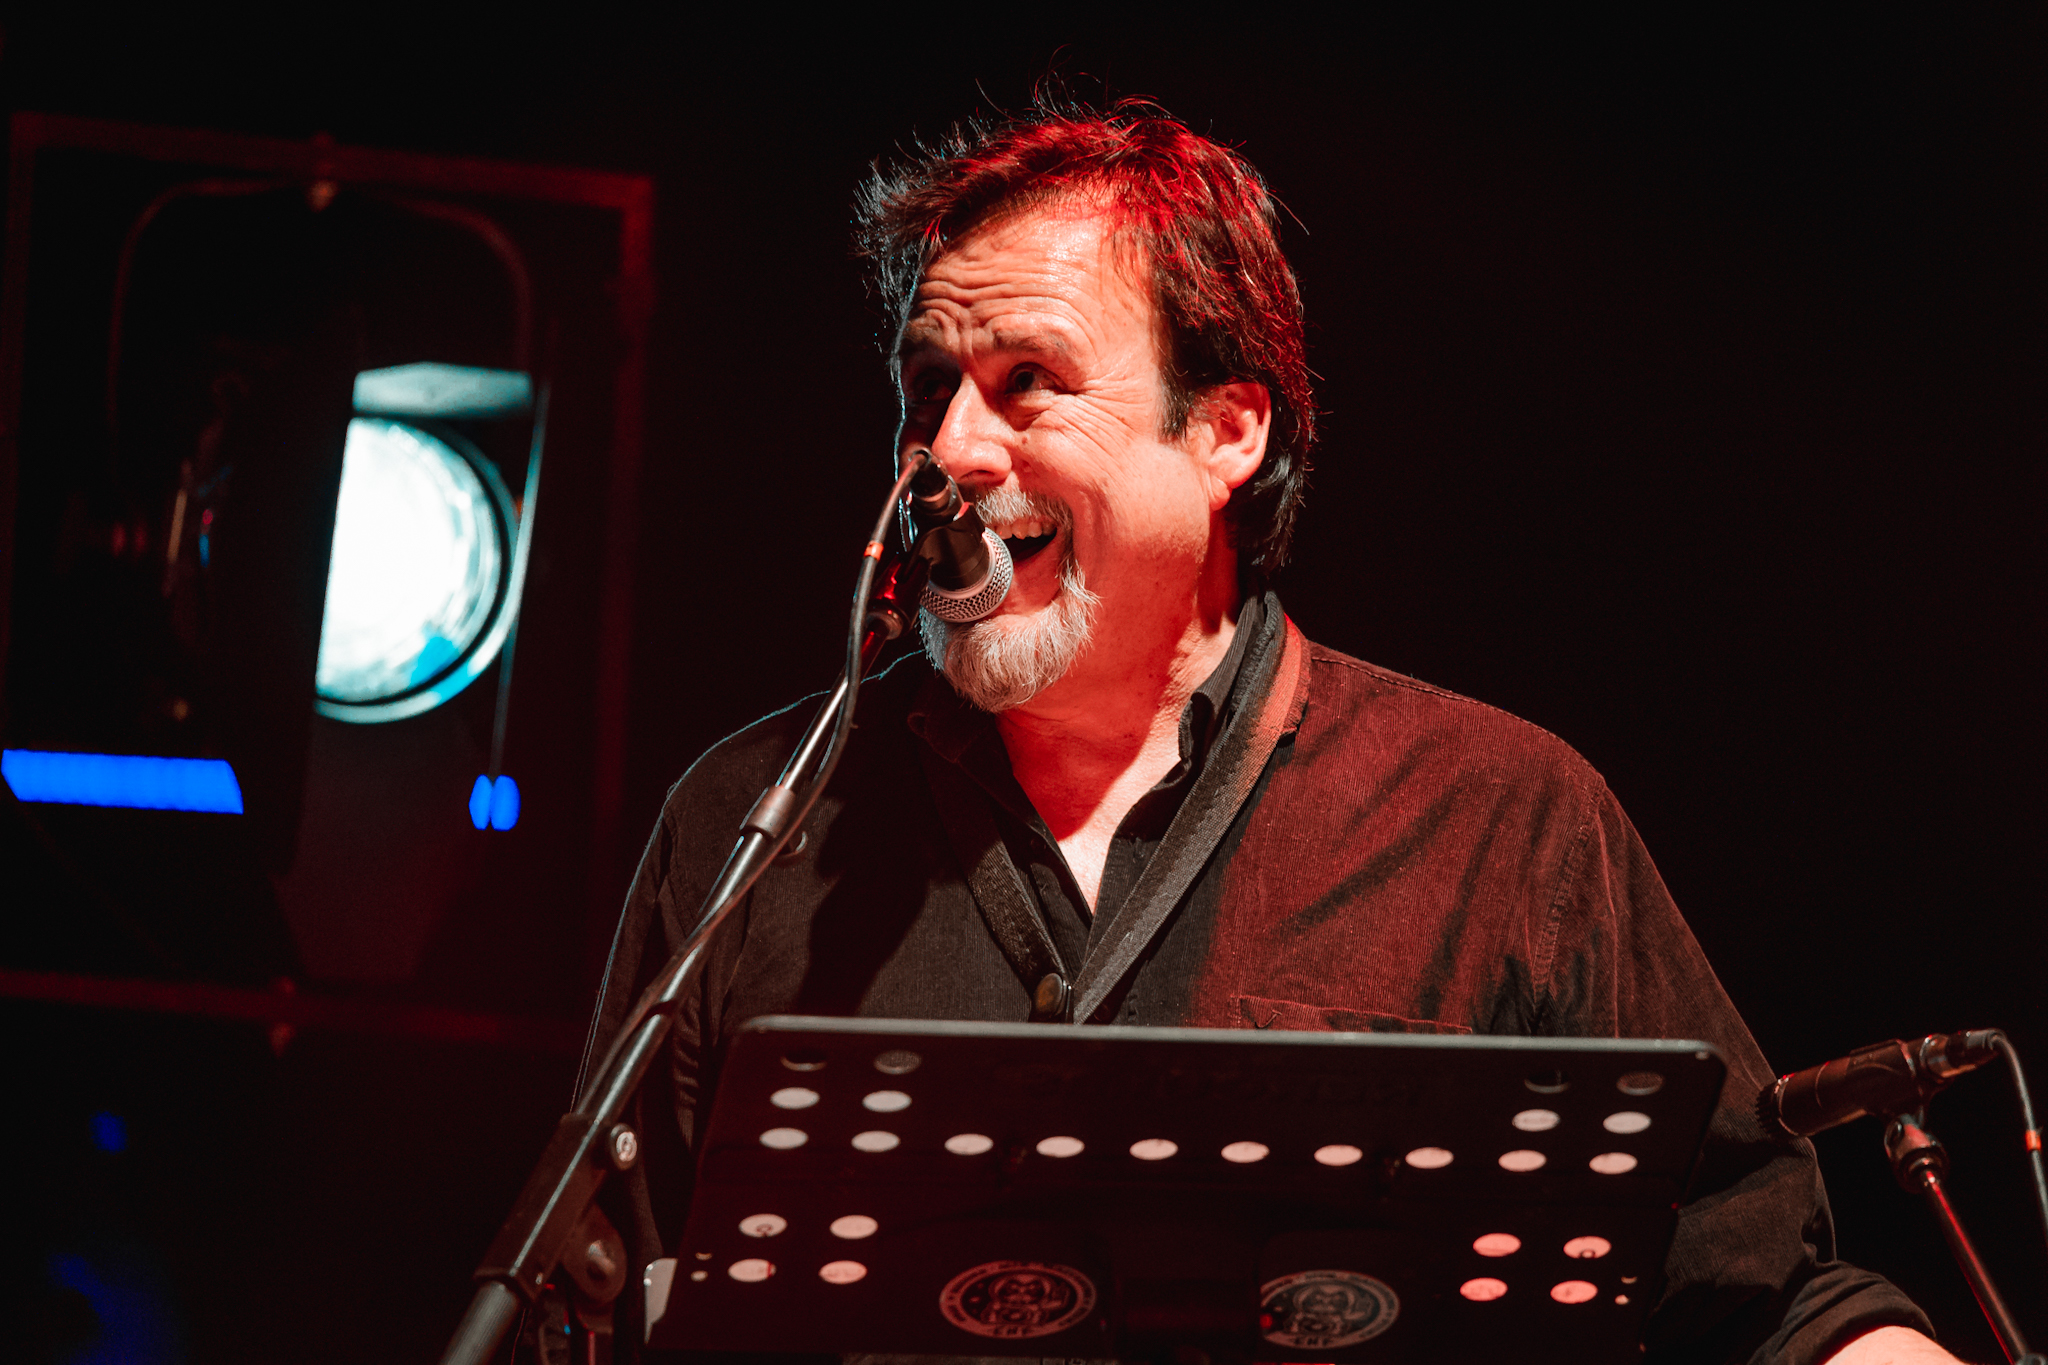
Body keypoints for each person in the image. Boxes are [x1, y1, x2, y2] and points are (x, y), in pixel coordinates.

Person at [582, 101, 1961, 1364]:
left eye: (1028, 381)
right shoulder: (747, 820)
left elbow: (1759, 1300)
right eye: (927, 388)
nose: (947, 454)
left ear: (1228, 430)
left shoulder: (1505, 818)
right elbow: (584, 1307)